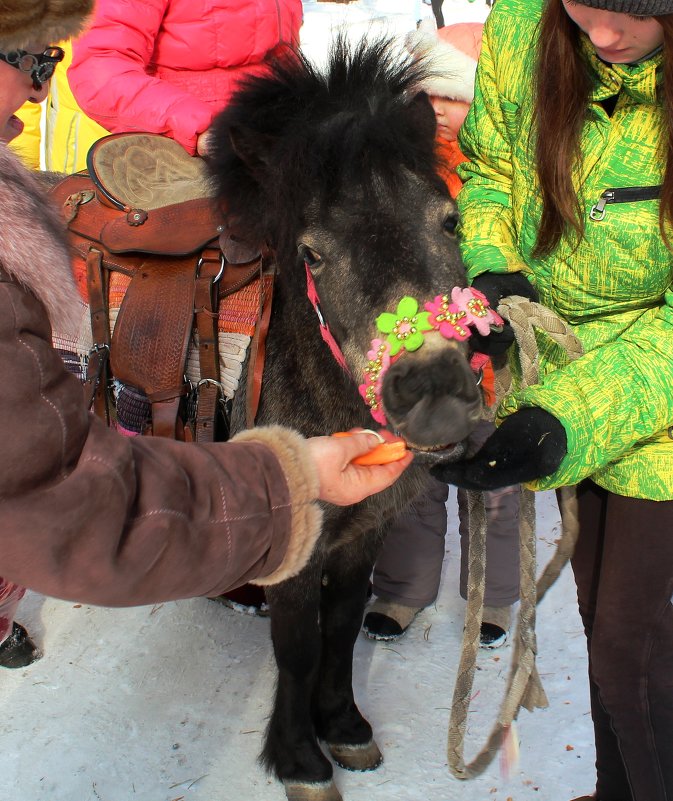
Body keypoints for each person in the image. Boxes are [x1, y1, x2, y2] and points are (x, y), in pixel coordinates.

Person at [0, 0, 412, 658]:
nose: (39, 77)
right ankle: (184, 453)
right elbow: (102, 67)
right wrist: (207, 125)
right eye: (28, 62)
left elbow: (276, 62)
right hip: (182, 147)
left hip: (264, 149)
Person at [431, 0, 673, 799]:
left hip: (657, 379)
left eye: (639, 12)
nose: (603, 35)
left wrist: (564, 420)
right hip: (564, 358)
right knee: (601, 620)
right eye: (586, 5)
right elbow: (493, 164)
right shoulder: (525, 23)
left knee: (635, 649)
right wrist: (496, 263)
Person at [363, 21, 520, 649]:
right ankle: (401, 588)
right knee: (412, 473)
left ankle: (494, 594)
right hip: (419, 344)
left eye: (457, 100)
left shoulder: (508, 174)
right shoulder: (399, 177)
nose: (444, 116)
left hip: (489, 351)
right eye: (431, 101)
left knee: (495, 476)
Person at [67, 0, 302, 158]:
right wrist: (198, 129)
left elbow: (281, 58)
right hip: (192, 155)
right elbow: (100, 67)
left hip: (274, 141)